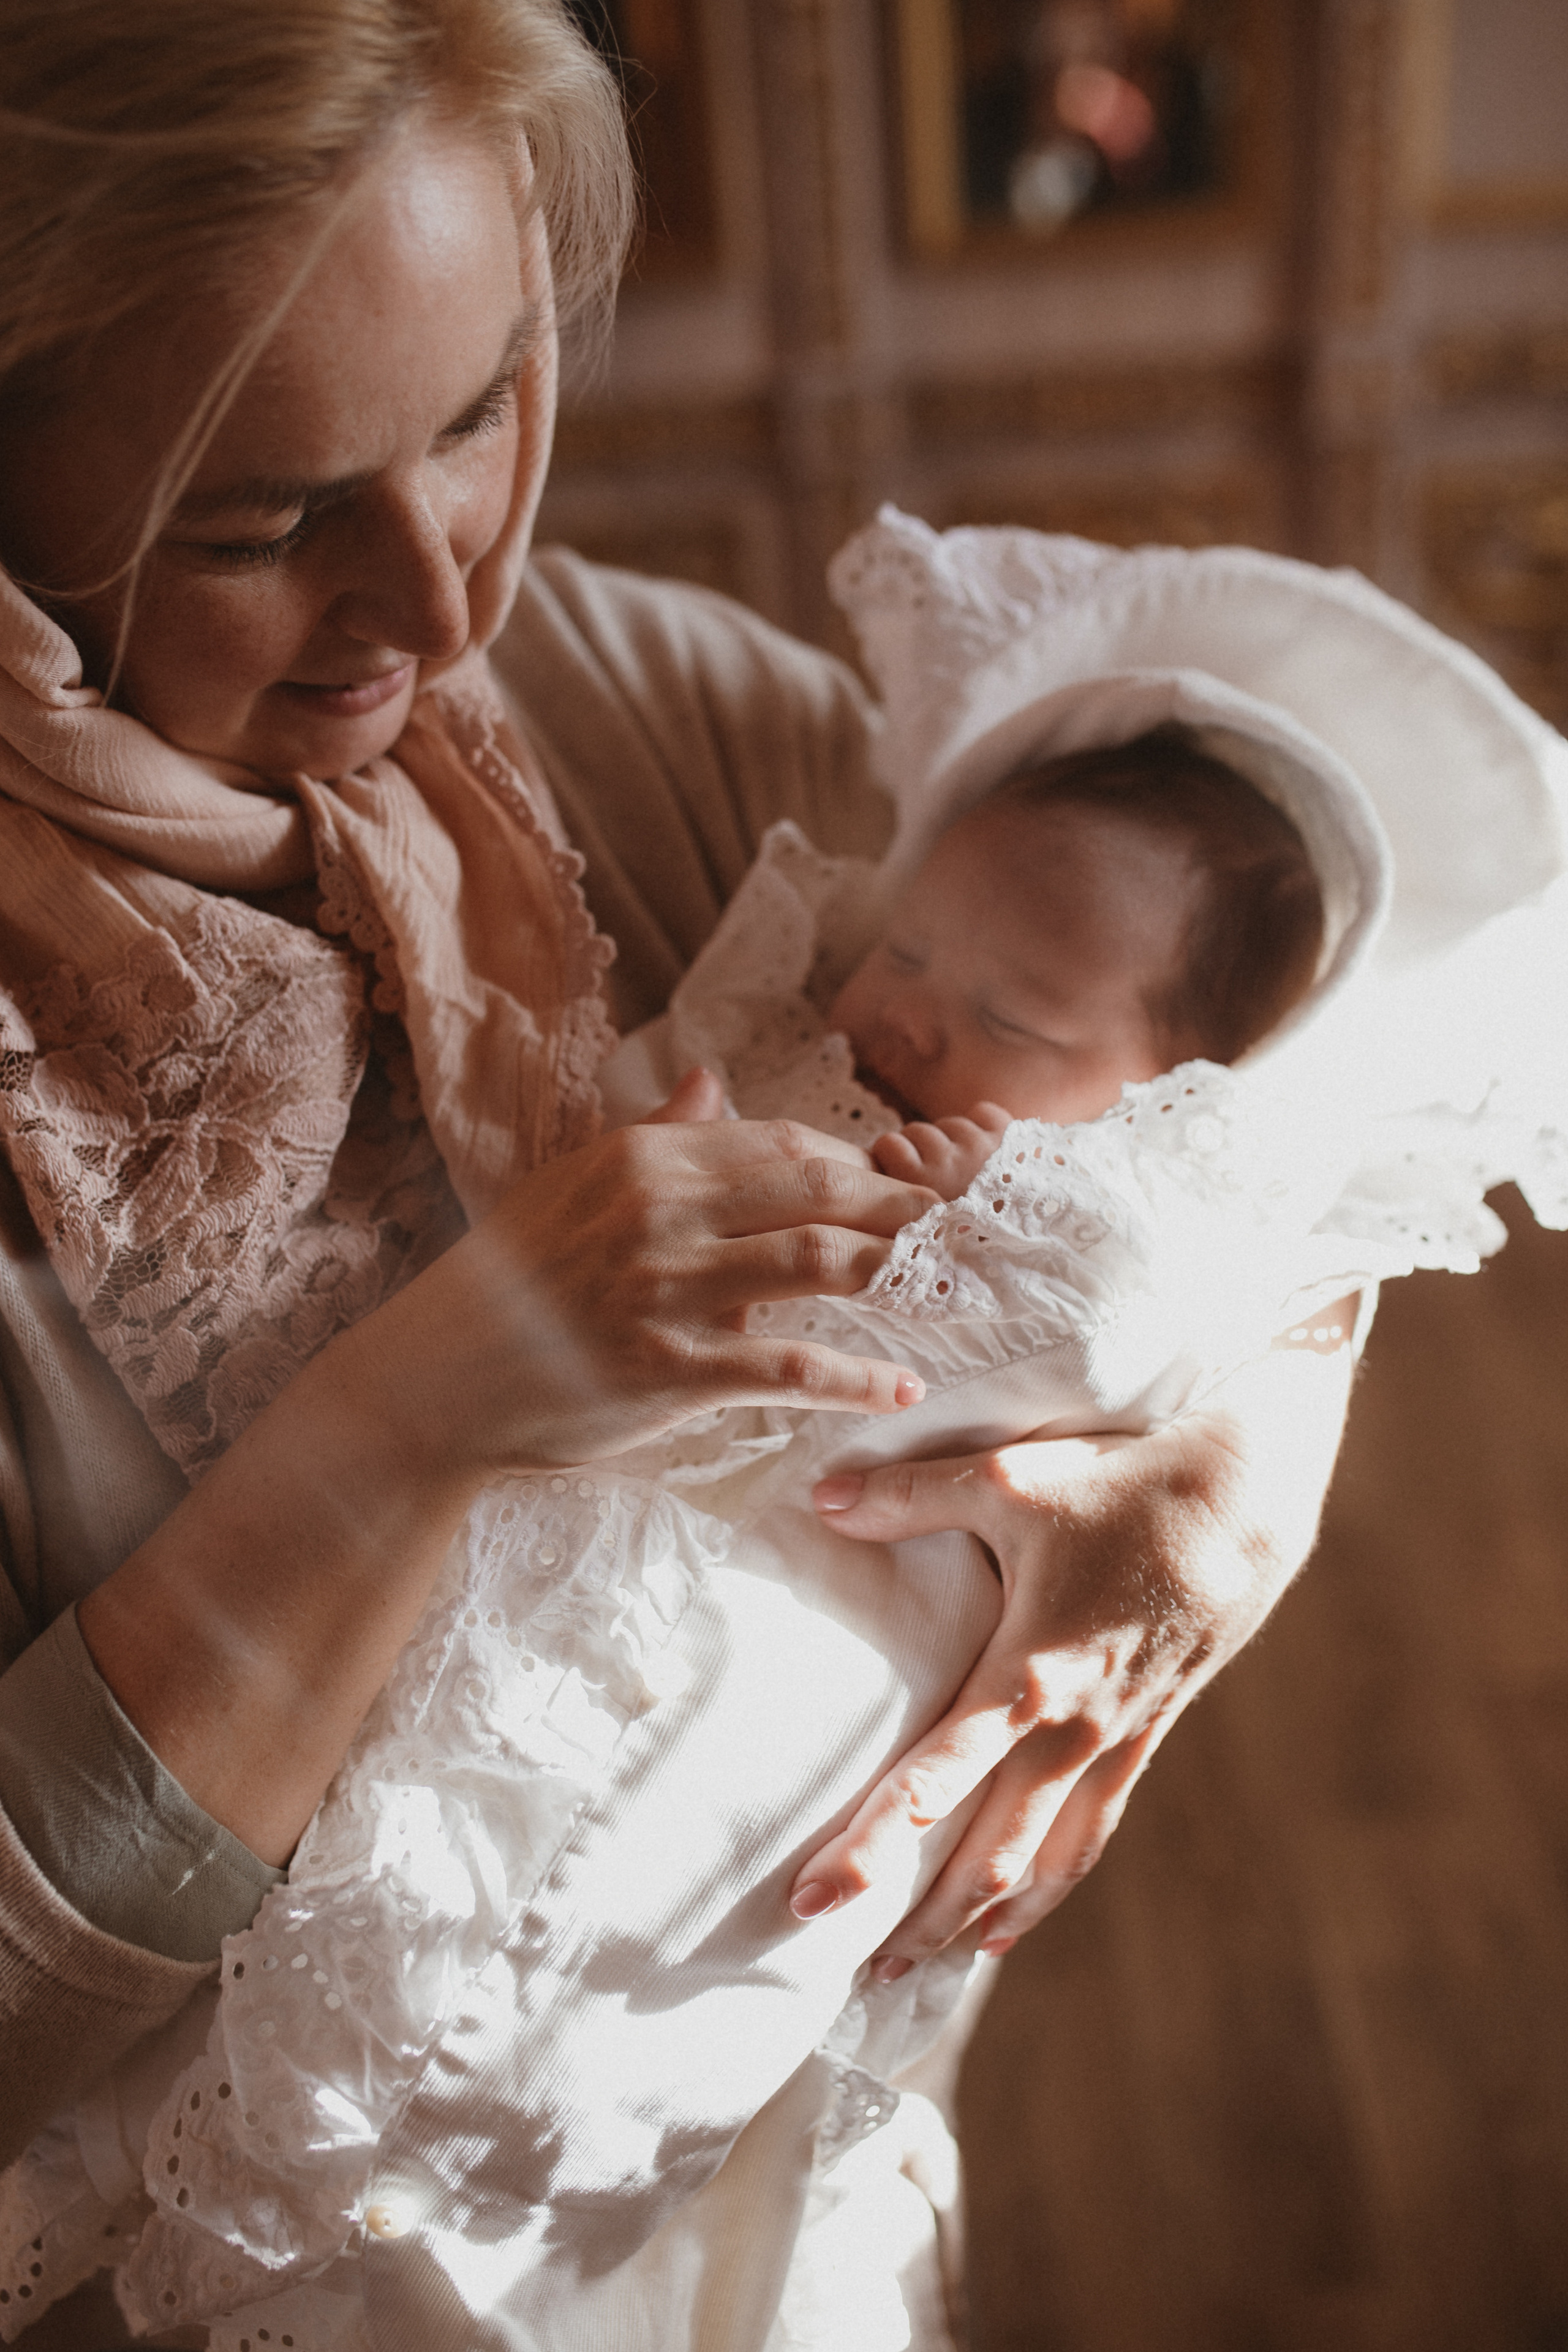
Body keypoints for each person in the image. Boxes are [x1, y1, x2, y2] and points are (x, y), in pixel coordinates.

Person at [0, 4, 1551, 2345]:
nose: (440, 611)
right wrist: (439, 1404)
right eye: (259, 520)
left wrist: (1233, 1460)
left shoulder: (590, 696)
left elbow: (1208, 1054)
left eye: (484, 405)